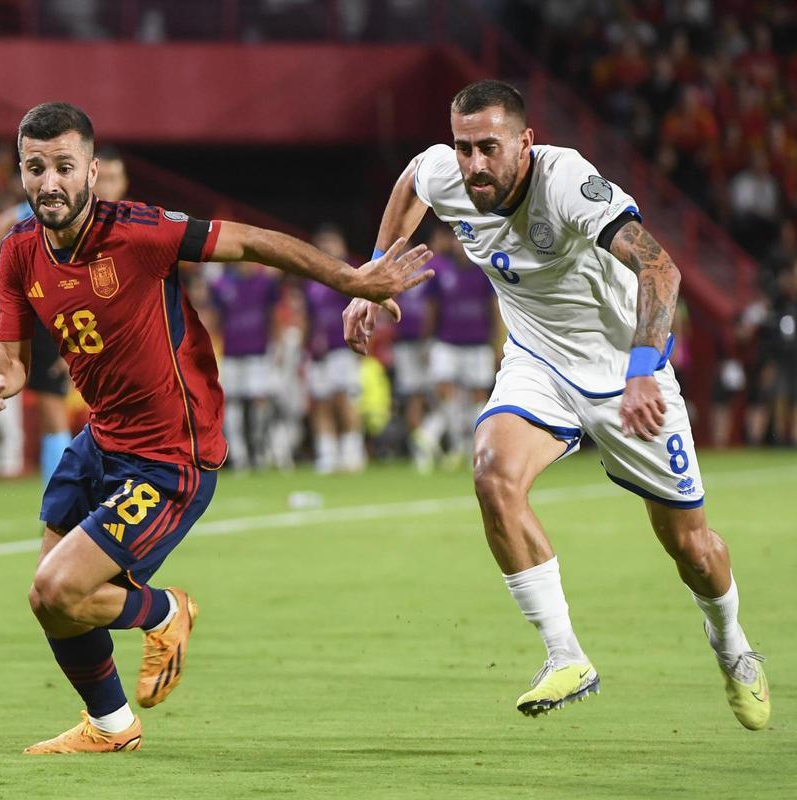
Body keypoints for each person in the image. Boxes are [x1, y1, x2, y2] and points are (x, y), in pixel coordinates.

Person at [0, 102, 433, 754]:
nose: (49, 182)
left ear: (92, 173)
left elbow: (248, 241)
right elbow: (10, 359)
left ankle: (166, 611)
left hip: (170, 453)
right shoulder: (18, 251)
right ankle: (110, 725)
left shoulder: (139, 232)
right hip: (102, 440)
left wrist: (350, 277)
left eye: (64, 167)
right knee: (51, 603)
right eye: (36, 167)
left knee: (61, 588)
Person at [343, 80, 769, 730]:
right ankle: (565, 654)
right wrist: (373, 275)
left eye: (489, 147)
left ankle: (732, 646)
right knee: (492, 474)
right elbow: (412, 181)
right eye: (465, 147)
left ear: (525, 142)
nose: (475, 163)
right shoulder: (446, 172)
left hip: (627, 374)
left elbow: (661, 271)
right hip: (537, 364)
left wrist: (645, 370)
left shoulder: (567, 183)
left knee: (692, 548)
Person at [0, 149, 131, 538]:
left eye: (115, 179)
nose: (108, 185)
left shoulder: (125, 232)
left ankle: (57, 508)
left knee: (51, 415)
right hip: (19, 316)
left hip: (62, 328)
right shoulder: (33, 215)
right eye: (105, 177)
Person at [414, 224, 499, 471]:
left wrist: (497, 343)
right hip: (446, 342)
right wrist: (426, 341)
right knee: (445, 394)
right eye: (455, 240)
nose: (458, 245)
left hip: (478, 343)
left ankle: (471, 448)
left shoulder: (485, 270)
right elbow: (431, 308)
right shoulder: (440, 270)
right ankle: (440, 441)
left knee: (478, 398)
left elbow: (494, 308)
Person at [304, 225, 367, 473]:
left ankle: (352, 452)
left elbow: (361, 310)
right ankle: (327, 454)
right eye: (323, 244)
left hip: (344, 348)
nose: (327, 249)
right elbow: (310, 318)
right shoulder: (312, 280)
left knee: (345, 401)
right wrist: (306, 346)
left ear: (341, 246)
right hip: (319, 353)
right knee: (321, 403)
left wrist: (362, 343)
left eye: (331, 243)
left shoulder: (351, 274)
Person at [208, 261, 279, 470]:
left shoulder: (264, 282)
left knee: (260, 401)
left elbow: (272, 314)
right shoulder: (220, 284)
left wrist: (275, 344)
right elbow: (215, 318)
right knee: (231, 403)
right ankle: (238, 455)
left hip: (258, 351)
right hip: (231, 352)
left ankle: (259, 449)